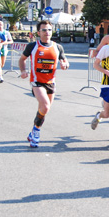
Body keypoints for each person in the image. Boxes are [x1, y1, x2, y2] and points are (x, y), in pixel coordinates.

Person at [19, 20, 70, 148]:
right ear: (39, 32)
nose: (47, 32)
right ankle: (36, 132)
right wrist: (23, 71)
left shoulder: (57, 47)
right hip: (37, 82)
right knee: (45, 106)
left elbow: (65, 60)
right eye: (44, 30)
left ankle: (33, 130)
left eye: (49, 30)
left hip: (51, 83)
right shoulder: (32, 46)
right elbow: (22, 59)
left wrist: (65, 65)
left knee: (43, 110)